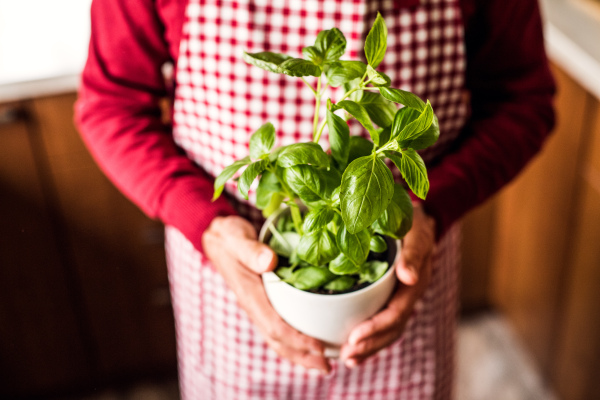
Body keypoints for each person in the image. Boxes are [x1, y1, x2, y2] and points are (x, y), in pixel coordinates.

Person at [75, 0, 555, 398]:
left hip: (406, 272)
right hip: (229, 284)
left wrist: (433, 208)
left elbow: (523, 100)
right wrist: (207, 222)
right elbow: (109, 106)